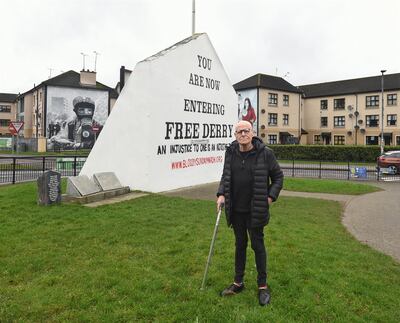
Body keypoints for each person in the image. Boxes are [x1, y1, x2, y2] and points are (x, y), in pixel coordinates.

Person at [216, 120, 283, 306]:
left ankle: (262, 286)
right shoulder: (230, 153)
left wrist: (269, 197)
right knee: (239, 245)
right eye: (239, 131)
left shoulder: (265, 154)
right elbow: (225, 176)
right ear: (235, 134)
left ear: (253, 133)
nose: (243, 134)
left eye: (246, 131)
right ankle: (238, 283)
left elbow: (278, 177)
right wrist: (221, 193)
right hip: (236, 210)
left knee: (257, 246)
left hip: (256, 210)